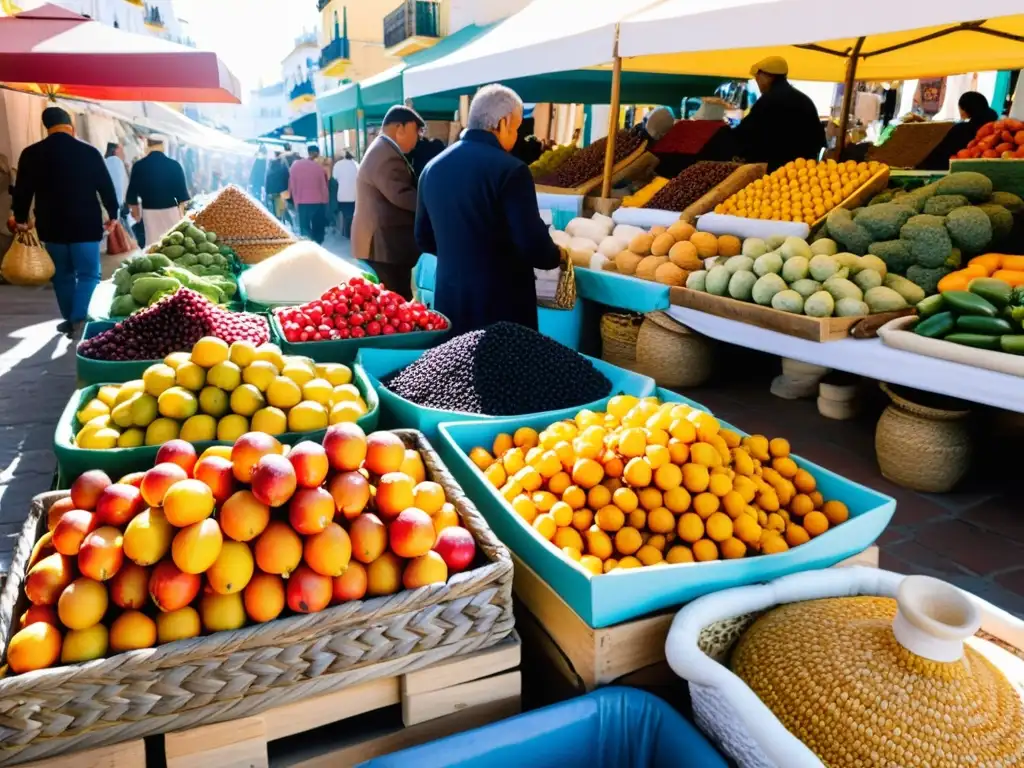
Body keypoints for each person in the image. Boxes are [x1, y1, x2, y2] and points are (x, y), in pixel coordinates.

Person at [415, 84, 561, 335]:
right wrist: (556, 254)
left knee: (455, 371)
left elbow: (423, 238)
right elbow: (533, 246)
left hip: (450, 301)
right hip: (502, 306)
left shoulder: (432, 168)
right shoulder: (511, 170)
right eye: (516, 128)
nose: (516, 136)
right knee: (502, 372)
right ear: (503, 123)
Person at [11, 107, 118, 337]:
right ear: (71, 125)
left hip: (52, 226)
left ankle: (71, 318)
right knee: (89, 274)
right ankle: (78, 318)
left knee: (62, 275)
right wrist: (113, 213)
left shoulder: (31, 153)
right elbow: (105, 186)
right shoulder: (88, 152)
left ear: (46, 127)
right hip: (85, 225)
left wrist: (20, 218)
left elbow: (22, 191)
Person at [353, 105, 423, 299]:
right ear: (400, 128)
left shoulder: (382, 149)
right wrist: (431, 204)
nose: (418, 139)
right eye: (416, 131)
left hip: (383, 245)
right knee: (395, 300)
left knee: (392, 299)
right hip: (384, 246)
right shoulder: (385, 154)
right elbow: (401, 195)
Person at [728, 56, 826, 171]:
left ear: (768, 76)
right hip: (803, 172)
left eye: (758, 78)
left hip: (772, 173)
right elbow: (818, 140)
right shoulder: (805, 100)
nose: (758, 83)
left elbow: (745, 134)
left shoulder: (767, 101)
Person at [125, 137, 191, 247]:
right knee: (173, 244)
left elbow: (131, 195)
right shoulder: (174, 165)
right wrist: (184, 217)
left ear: (147, 145)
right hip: (171, 212)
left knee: (153, 245)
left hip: (149, 212)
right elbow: (183, 196)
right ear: (163, 146)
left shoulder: (139, 166)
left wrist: (136, 215)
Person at [921, 91, 1001, 170]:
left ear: (965, 110)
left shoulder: (961, 130)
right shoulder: (998, 128)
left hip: (957, 172)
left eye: (960, 108)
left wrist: (919, 167)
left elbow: (939, 155)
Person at [288, 144, 330, 245]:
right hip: (318, 201)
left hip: (302, 201)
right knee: (318, 226)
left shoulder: (295, 167)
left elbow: (291, 185)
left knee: (304, 226)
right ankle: (317, 244)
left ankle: (308, 246)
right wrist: (325, 200)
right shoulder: (318, 167)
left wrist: (293, 200)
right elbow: (323, 185)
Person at [333, 150, 358, 238]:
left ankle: (346, 232)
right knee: (351, 215)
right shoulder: (356, 164)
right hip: (354, 195)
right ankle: (350, 232)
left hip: (342, 195)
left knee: (345, 215)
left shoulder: (338, 165)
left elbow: (334, 178)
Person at [265, 150, 291, 224]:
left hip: (272, 191)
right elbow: (288, 178)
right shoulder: (284, 166)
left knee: (275, 209)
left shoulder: (270, 167)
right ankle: (286, 223)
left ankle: (277, 222)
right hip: (283, 191)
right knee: (284, 209)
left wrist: (267, 191)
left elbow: (267, 179)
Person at [104, 143, 128, 217]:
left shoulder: (107, 161)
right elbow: (118, 187)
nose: (124, 154)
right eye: (122, 151)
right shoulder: (115, 161)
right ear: (116, 151)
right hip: (115, 208)